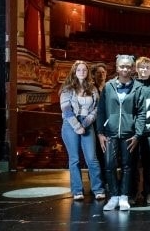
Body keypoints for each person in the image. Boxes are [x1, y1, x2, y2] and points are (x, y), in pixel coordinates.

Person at [97, 54, 146, 211]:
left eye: (128, 66)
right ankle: (114, 196)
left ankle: (124, 196)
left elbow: (141, 113)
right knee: (110, 165)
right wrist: (100, 133)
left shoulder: (138, 87)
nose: (125, 69)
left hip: (129, 134)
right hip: (110, 132)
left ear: (132, 68)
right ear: (117, 67)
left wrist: (138, 134)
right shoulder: (108, 86)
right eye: (122, 66)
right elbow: (101, 111)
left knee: (128, 166)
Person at [59, 60, 105, 201]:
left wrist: (84, 124)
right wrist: (77, 126)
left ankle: (97, 189)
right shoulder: (67, 88)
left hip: (87, 124)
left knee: (92, 158)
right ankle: (77, 190)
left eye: (84, 70)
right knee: (74, 159)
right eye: (79, 70)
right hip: (70, 125)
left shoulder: (93, 88)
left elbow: (97, 109)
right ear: (74, 71)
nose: (82, 72)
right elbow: (66, 110)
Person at [132, 56, 150, 205]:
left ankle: (149, 192)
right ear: (136, 69)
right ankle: (134, 192)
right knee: (133, 163)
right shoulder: (131, 85)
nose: (144, 70)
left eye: (147, 68)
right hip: (134, 132)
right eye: (141, 67)